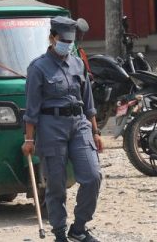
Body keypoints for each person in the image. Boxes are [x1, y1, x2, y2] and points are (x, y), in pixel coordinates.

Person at [22, 16, 103, 242]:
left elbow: (88, 102)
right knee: (56, 185)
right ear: (52, 37)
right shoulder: (38, 67)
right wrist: (29, 140)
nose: (67, 44)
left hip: (79, 126)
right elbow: (31, 108)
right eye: (63, 39)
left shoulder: (78, 63)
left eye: (71, 40)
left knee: (93, 176)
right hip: (51, 127)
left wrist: (96, 132)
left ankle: (79, 227)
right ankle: (59, 233)